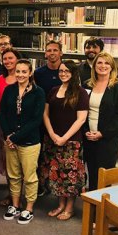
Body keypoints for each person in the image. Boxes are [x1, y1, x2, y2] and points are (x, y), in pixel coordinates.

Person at [40, 60, 89, 221]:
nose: (63, 73)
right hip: (52, 139)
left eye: (67, 71)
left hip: (71, 141)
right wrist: (53, 135)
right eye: (61, 71)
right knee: (57, 175)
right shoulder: (54, 90)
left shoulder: (80, 92)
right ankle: (60, 204)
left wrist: (64, 138)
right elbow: (45, 114)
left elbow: (81, 119)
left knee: (70, 176)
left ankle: (70, 208)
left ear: (74, 73)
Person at [0, 59, 45, 225]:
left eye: (24, 71)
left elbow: (36, 120)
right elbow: (3, 114)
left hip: (29, 142)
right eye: (18, 71)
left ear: (30, 72)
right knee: (13, 175)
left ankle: (29, 208)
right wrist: (8, 136)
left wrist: (15, 137)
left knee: (30, 177)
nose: (20, 75)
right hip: (10, 140)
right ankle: (15, 205)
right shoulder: (9, 90)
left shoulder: (38, 92)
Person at [83, 52, 118, 191]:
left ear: (112, 67)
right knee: (91, 172)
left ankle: (102, 207)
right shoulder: (87, 84)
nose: (103, 66)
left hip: (108, 138)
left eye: (106, 63)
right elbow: (83, 111)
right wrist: (86, 131)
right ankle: (92, 208)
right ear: (94, 65)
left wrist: (101, 133)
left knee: (104, 175)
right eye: (99, 62)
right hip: (89, 136)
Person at [0, 48, 22, 206]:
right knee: (7, 162)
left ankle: (17, 197)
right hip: (3, 125)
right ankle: (11, 194)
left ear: (17, 59)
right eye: (5, 59)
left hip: (20, 125)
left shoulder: (24, 76)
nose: (8, 61)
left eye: (11, 58)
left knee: (20, 161)